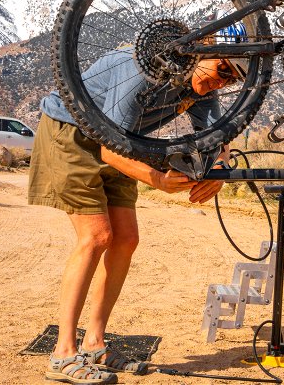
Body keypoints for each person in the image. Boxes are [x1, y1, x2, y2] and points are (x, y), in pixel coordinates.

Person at [29, 38, 245, 385]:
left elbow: (218, 138)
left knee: (126, 239)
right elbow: (108, 150)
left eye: (232, 79)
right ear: (202, 48)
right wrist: (157, 179)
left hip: (121, 141)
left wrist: (218, 173)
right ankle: (63, 353)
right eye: (222, 69)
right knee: (97, 236)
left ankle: (95, 344)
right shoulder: (144, 70)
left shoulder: (205, 83)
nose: (222, 82)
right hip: (72, 133)